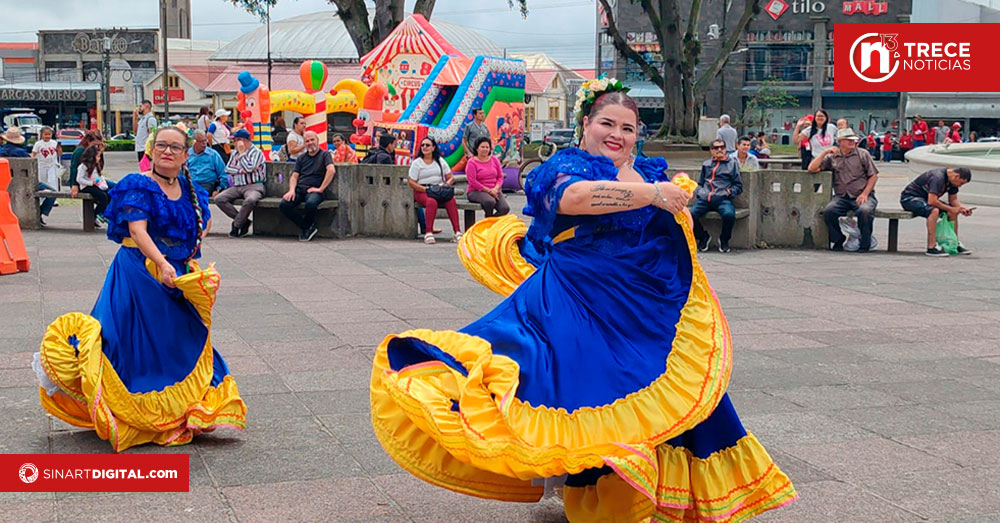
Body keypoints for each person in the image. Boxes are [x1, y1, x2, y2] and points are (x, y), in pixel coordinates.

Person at [369, 83, 796, 522]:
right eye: (607, 123)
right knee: (584, 390)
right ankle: (600, 494)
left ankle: (649, 498)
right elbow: (573, 198)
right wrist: (654, 196)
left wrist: (675, 208)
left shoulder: (651, 171)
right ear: (586, 124)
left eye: (627, 128)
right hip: (576, 296)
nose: (617, 134)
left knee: (667, 390)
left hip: (642, 306)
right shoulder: (567, 165)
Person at [32, 125, 246, 452]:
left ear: (185, 155)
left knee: (182, 338)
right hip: (138, 272)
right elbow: (137, 229)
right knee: (131, 342)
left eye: (175, 147)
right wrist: (162, 263)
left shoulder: (192, 189)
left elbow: (202, 223)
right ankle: (132, 413)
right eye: (161, 145)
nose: (167, 152)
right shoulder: (139, 185)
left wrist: (185, 261)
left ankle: (184, 409)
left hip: (175, 273)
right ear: (152, 149)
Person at [808, 128, 879, 252]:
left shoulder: (863, 154)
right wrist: (824, 153)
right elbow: (812, 168)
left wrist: (865, 194)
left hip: (861, 194)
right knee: (828, 211)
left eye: (853, 140)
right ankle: (838, 238)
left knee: (865, 211)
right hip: (842, 196)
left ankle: (865, 242)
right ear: (840, 141)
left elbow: (873, 175)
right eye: (848, 140)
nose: (852, 142)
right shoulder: (833, 157)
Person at [900, 167, 973, 256]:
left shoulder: (953, 182)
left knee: (952, 212)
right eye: (961, 183)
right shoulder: (938, 178)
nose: (960, 186)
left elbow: (953, 200)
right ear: (956, 176)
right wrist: (951, 209)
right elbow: (932, 201)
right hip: (910, 198)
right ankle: (931, 246)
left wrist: (962, 209)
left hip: (926, 199)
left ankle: (954, 242)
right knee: (934, 211)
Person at [280, 130, 336, 242]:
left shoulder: (325, 155)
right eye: (307, 141)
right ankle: (307, 227)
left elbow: (331, 170)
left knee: (311, 204)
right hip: (300, 188)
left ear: (317, 140)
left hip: (315, 189)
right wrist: (291, 190)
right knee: (284, 205)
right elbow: (294, 176)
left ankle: (307, 228)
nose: (310, 143)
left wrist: (321, 188)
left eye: (312, 140)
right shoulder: (301, 158)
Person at [408, 136, 461, 244]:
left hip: (439, 189)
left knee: (451, 200)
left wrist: (446, 184)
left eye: (427, 145)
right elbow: (411, 182)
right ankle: (428, 232)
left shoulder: (440, 161)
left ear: (433, 148)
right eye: (422, 145)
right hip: (423, 190)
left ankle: (457, 232)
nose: (425, 147)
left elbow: (450, 177)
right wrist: (425, 189)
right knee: (431, 201)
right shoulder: (417, 163)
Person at [693, 139, 743, 253]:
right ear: (711, 150)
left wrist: (729, 192)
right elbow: (700, 183)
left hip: (722, 199)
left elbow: (738, 185)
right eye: (716, 148)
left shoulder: (732, 164)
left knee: (729, 215)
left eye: (722, 147)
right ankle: (703, 237)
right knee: (690, 215)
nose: (719, 150)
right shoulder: (706, 164)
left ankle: (724, 240)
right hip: (705, 198)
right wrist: (700, 192)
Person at [214, 129, 265, 238]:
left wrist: (242, 155)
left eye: (237, 140)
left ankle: (236, 225)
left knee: (250, 200)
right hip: (237, 185)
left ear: (244, 140)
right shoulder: (234, 153)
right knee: (219, 199)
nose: (235, 143)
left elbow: (250, 168)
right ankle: (244, 221)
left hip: (254, 185)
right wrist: (241, 170)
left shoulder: (256, 152)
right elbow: (228, 169)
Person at [0, 127, 52, 225]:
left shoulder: (1, 152)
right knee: (52, 192)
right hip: (25, 184)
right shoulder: (21, 152)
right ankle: (40, 214)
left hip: (4, 184)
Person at [465, 136, 510, 218]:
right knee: (490, 202)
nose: (485, 149)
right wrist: (489, 191)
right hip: (476, 191)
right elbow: (472, 181)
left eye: (487, 147)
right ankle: (488, 220)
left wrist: (496, 189)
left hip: (494, 189)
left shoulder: (494, 160)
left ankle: (489, 223)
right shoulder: (472, 162)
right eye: (482, 147)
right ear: (477, 148)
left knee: (504, 208)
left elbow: (500, 177)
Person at [75, 145, 111, 223]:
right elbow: (79, 179)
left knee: (109, 195)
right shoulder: (83, 166)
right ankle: (97, 214)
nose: (99, 158)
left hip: (96, 185)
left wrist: (103, 182)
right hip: (86, 187)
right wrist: (91, 183)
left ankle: (104, 213)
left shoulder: (96, 166)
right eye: (97, 156)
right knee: (103, 196)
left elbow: (99, 176)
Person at [187, 130, 229, 196]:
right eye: (201, 142)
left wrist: (219, 189)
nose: (204, 144)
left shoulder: (213, 154)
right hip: (190, 183)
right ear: (194, 142)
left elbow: (223, 174)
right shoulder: (187, 154)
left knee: (197, 195)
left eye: (205, 141)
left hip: (207, 183)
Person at [70, 130, 106, 198]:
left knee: (114, 187)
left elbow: (100, 168)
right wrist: (74, 185)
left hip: (94, 179)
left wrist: (100, 153)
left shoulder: (96, 152)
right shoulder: (80, 151)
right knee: (104, 195)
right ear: (89, 141)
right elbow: (74, 168)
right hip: (84, 182)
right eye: (95, 144)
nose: (97, 147)